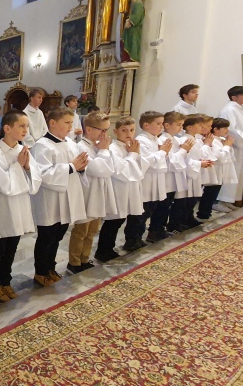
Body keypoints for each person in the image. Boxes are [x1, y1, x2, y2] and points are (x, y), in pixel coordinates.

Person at [0, 110, 41, 303]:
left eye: (27, 126)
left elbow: (35, 177)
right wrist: (19, 166)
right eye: (21, 126)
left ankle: (5, 281)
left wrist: (26, 166)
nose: (26, 130)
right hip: (2, 207)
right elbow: (3, 184)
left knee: (12, 247)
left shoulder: (22, 149)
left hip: (19, 206)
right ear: (7, 128)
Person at [31, 107, 87, 286]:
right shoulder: (42, 145)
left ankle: (50, 268)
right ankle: (41, 272)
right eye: (67, 123)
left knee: (58, 236)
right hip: (50, 199)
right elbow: (43, 173)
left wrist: (82, 167)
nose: (70, 126)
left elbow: (77, 166)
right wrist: (71, 166)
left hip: (67, 197)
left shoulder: (70, 143)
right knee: (46, 237)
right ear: (53, 123)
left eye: (71, 122)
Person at [68, 111, 116, 274]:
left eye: (107, 130)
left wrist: (104, 150)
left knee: (92, 230)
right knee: (81, 231)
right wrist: (104, 150)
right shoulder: (81, 147)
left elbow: (110, 169)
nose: (105, 135)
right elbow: (98, 170)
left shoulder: (98, 146)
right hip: (86, 194)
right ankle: (74, 262)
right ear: (88, 129)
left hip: (98, 194)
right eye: (102, 130)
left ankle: (85, 258)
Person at [94, 116, 144, 262]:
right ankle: (103, 250)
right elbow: (121, 170)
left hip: (131, 189)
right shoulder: (113, 148)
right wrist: (133, 154)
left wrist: (135, 154)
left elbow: (140, 168)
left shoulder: (132, 145)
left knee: (121, 219)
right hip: (118, 189)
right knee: (113, 222)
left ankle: (111, 247)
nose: (128, 133)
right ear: (116, 131)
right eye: (124, 130)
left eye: (132, 130)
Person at [124, 111, 171, 251]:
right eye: (158, 123)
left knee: (149, 211)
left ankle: (139, 237)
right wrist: (162, 152)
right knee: (139, 214)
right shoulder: (141, 140)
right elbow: (146, 162)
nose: (162, 126)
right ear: (146, 125)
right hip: (145, 182)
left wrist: (164, 153)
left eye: (162, 123)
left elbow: (160, 160)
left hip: (155, 181)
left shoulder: (156, 139)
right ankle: (132, 240)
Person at [148, 111, 191, 239]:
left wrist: (184, 150)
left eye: (182, 125)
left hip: (172, 179)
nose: (181, 128)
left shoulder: (175, 139)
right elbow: (171, 161)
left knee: (166, 206)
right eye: (178, 125)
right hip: (165, 178)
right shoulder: (163, 140)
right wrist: (183, 150)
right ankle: (155, 231)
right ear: (167, 125)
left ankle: (161, 229)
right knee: (161, 207)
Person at [217, 86, 243, 208]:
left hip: (241, 146)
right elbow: (229, 129)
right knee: (229, 173)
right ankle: (220, 201)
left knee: (237, 174)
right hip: (232, 145)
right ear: (234, 97)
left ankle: (229, 200)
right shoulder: (228, 110)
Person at [174, 114, 214, 229]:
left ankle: (188, 218)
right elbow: (185, 160)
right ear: (190, 127)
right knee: (183, 202)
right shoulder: (186, 140)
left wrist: (203, 161)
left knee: (192, 200)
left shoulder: (196, 139)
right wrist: (199, 163)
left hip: (195, 174)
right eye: (200, 125)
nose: (202, 127)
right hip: (187, 175)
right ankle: (177, 223)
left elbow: (199, 155)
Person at [197, 118, 236, 219]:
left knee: (213, 193)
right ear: (216, 129)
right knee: (209, 193)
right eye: (225, 128)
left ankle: (206, 212)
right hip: (213, 170)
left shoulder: (220, 140)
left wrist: (227, 145)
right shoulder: (212, 140)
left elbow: (230, 157)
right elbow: (220, 157)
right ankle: (203, 213)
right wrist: (227, 146)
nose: (227, 130)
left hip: (219, 171)